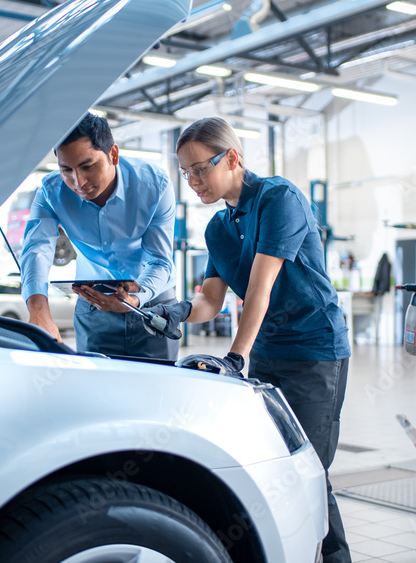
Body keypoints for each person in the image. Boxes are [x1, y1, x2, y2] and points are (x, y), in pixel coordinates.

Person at [145, 117, 352, 562]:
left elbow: (261, 288)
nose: (193, 181)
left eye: (200, 168)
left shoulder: (279, 199)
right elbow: (212, 302)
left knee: (309, 472)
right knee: (285, 468)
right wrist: (173, 312)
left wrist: (235, 357)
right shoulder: (217, 229)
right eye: (186, 173)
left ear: (233, 157)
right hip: (268, 351)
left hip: (315, 349)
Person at [21, 113, 180, 360]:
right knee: (95, 390)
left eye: (87, 166)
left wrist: (135, 299)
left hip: (153, 303)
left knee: (158, 391)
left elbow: (159, 261)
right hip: (94, 304)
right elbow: (36, 250)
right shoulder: (51, 192)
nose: (78, 182)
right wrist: (39, 309)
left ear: (113, 155)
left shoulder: (155, 186)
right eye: (66, 170)